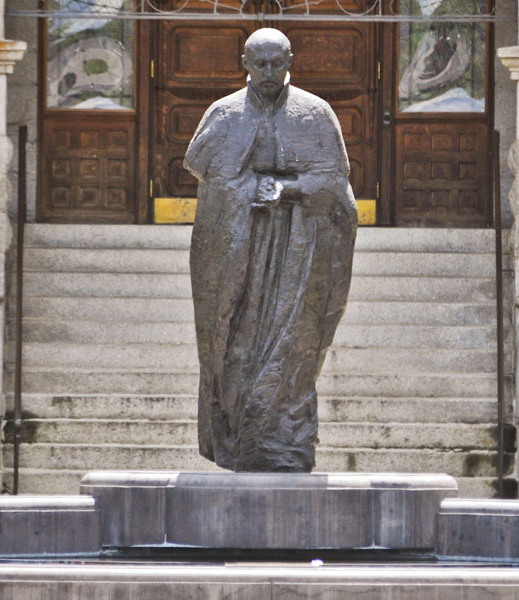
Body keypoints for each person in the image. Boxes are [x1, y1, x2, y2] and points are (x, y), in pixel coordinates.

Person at [184, 28, 359, 472]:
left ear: (290, 60)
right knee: (234, 342)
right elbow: (205, 169)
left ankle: (284, 441)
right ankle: (235, 438)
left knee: (293, 346)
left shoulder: (314, 113)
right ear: (244, 62)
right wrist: (247, 190)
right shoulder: (224, 114)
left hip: (299, 251)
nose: (267, 73)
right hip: (237, 249)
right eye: (258, 63)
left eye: (276, 63)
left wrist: (287, 190)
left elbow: (335, 180)